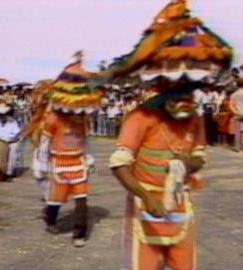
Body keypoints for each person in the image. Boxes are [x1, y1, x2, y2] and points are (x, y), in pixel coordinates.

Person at [110, 85, 206, 270]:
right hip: (144, 207)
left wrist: (187, 164)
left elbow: (199, 158)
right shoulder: (139, 117)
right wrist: (146, 197)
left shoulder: (195, 118)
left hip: (181, 205)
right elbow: (119, 165)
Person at [38, 54, 101, 247]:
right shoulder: (53, 120)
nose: (80, 115)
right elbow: (44, 144)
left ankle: (79, 233)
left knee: (82, 200)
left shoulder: (84, 121)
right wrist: (41, 164)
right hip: (59, 165)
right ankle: (50, 218)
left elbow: (85, 142)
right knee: (57, 200)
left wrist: (89, 159)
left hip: (78, 165)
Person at [0, 103, 22, 177]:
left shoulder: (13, 121)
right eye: (0, 114)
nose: (2, 116)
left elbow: (17, 134)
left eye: (4, 114)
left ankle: (9, 173)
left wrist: (10, 139)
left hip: (11, 142)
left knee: (13, 149)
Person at [229, 80, 243, 152]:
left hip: (237, 113)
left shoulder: (234, 94)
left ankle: (237, 147)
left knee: (237, 131)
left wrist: (236, 112)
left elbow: (231, 105)